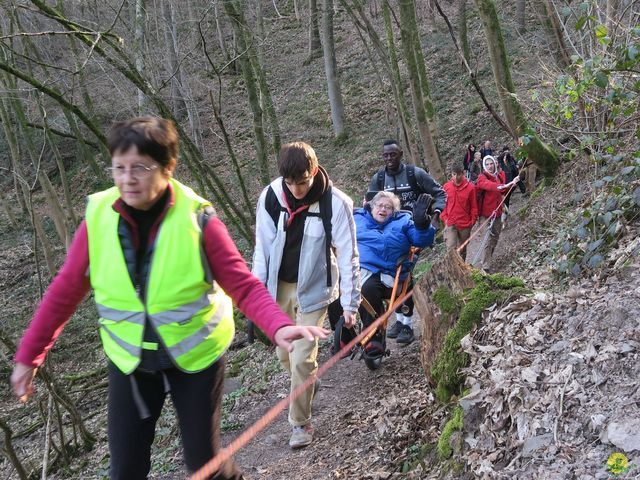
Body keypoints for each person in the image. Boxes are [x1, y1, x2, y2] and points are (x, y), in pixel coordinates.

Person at [10, 117, 328, 480]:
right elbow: (64, 290)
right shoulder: (98, 218)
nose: (127, 178)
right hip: (129, 359)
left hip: (196, 357)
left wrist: (279, 325)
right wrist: (29, 356)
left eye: (140, 168)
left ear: (167, 168)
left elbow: (242, 284)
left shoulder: (198, 220)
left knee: (203, 465)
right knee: (125, 470)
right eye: (119, 167)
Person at [252, 141, 360, 449]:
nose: (296, 189)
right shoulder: (271, 197)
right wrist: (256, 296)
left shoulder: (335, 203)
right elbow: (262, 247)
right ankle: (307, 382)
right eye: (290, 183)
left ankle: (300, 424)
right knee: (284, 354)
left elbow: (349, 254)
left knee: (300, 358)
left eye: (302, 182)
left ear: (313, 171)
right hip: (279, 286)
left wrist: (350, 303)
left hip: (315, 288)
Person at [329, 191, 436, 347]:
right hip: (356, 268)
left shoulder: (403, 221)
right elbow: (336, 235)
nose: (384, 209)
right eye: (380, 205)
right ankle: (345, 335)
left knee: (368, 289)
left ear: (394, 212)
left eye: (389, 207)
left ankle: (374, 339)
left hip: (387, 273)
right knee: (333, 291)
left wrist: (422, 225)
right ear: (372, 207)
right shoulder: (356, 218)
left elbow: (422, 241)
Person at [366, 139, 446, 219]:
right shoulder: (378, 179)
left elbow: (440, 194)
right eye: (386, 155)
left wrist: (436, 215)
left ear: (401, 154)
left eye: (393, 154)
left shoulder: (416, 173)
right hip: (389, 227)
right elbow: (370, 204)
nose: (389, 158)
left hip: (417, 225)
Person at [475, 155, 520, 273]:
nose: (490, 166)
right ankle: (485, 266)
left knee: (495, 238)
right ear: (484, 165)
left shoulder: (498, 176)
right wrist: (501, 186)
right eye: (488, 164)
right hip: (485, 214)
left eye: (491, 164)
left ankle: (487, 261)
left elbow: (503, 190)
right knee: (487, 239)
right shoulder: (482, 177)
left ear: (495, 164)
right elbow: (487, 186)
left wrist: (512, 184)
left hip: (498, 211)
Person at [441, 165, 478, 261]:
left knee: (462, 249)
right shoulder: (446, 187)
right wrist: (444, 217)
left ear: (463, 174)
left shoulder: (471, 188)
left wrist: (472, 221)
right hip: (450, 222)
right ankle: (452, 271)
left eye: (458, 174)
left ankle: (462, 268)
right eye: (454, 174)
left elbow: (474, 206)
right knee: (451, 250)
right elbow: (443, 204)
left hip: (465, 224)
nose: (456, 177)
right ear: (451, 175)